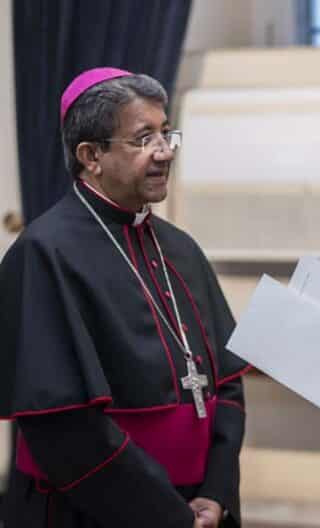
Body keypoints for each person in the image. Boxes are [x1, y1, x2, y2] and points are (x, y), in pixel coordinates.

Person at [0, 68, 251, 528]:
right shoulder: (44, 253)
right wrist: (168, 516)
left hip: (196, 506)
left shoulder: (181, 248)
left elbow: (227, 384)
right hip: (91, 512)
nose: (165, 151)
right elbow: (64, 428)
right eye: (143, 139)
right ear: (91, 155)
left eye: (166, 133)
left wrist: (216, 492)